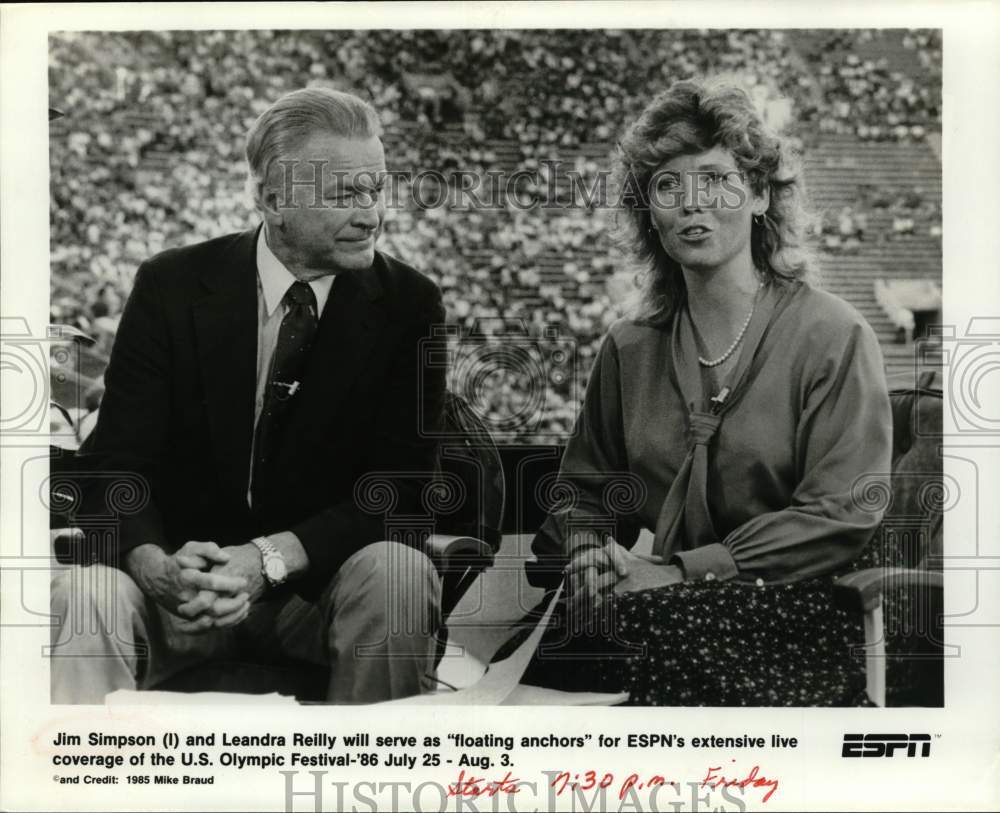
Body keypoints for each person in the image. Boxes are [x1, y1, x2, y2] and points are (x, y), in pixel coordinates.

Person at [50, 88, 447, 704]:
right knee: (82, 596)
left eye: (377, 188)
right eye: (345, 193)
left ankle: (372, 781)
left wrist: (268, 560)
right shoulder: (170, 285)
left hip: (314, 598)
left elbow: (403, 490)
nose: (371, 213)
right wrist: (154, 566)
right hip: (178, 594)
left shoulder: (410, 303)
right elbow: (113, 463)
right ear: (271, 198)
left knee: (398, 574)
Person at [525, 77, 893, 705]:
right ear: (652, 216)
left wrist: (675, 572)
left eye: (717, 178)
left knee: (635, 654)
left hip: (789, 609)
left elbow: (838, 515)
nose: (693, 202)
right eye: (668, 186)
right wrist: (589, 555)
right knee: (520, 674)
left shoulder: (834, 335)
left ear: (757, 196)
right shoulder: (629, 346)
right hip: (651, 601)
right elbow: (584, 493)